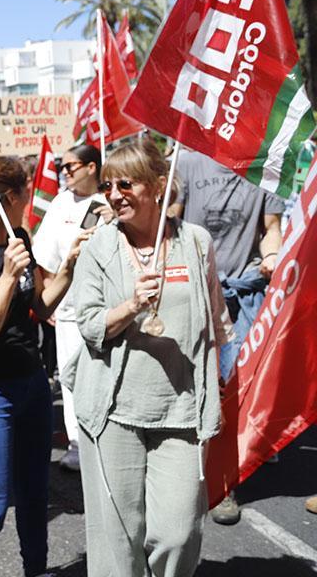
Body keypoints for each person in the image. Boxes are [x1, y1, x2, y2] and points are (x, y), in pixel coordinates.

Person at [70, 139, 231, 577]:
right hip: (112, 413)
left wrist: (225, 380)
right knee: (117, 544)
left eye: (127, 183)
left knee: (177, 534)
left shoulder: (196, 242)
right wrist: (130, 307)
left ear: (159, 185)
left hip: (180, 410)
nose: (115, 193)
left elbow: (217, 319)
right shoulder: (98, 247)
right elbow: (87, 324)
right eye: (107, 185)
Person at [0, 156, 84, 576]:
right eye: (27, 190)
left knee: (32, 496)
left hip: (31, 385)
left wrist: (69, 267)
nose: (31, 198)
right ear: (10, 197)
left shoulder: (18, 237)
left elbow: (41, 306)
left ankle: (36, 570)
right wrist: (7, 276)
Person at [168, 145, 283, 525]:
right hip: (199, 289)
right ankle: (203, 473)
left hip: (245, 293)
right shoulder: (188, 159)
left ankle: (226, 479)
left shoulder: (268, 164)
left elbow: (271, 230)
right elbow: (172, 220)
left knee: (235, 384)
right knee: (203, 383)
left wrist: (272, 256)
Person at [31, 143, 108, 471]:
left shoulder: (109, 201)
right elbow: (44, 255)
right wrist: (48, 295)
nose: (65, 173)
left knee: (104, 376)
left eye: (71, 167)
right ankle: (78, 443)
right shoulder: (61, 202)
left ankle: (107, 441)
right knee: (72, 377)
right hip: (68, 310)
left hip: (106, 307)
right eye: (62, 167)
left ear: (92, 167)